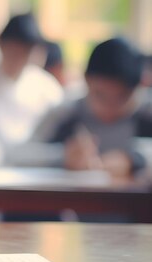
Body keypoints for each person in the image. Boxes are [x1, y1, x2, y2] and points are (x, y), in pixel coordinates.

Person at [8, 38, 152, 178]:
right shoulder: (66, 113)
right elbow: (16, 155)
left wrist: (136, 160)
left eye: (121, 97)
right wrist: (63, 156)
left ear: (141, 87)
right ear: (86, 80)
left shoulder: (146, 114)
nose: (109, 107)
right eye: (100, 95)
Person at [0, 13, 63, 150]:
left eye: (26, 51)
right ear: (1, 44)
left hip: (35, 162)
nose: (19, 57)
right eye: (14, 49)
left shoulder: (47, 88)